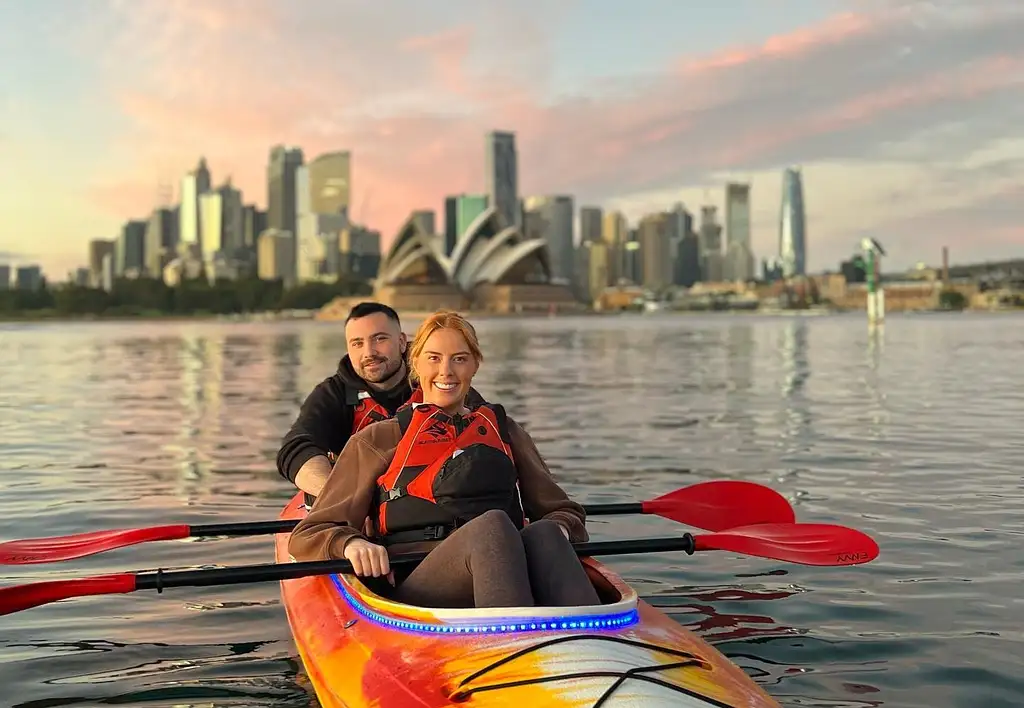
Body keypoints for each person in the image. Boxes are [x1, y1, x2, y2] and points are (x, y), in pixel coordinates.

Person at [288, 310, 602, 609]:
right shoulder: (376, 440)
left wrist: (560, 532)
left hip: (505, 574)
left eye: (459, 359)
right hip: (420, 586)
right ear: (415, 364)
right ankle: (514, 643)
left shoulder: (504, 430)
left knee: (544, 533)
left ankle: (595, 641)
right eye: (434, 359)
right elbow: (310, 534)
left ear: (475, 365)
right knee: (491, 527)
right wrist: (351, 544)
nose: (446, 372)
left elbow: (563, 511)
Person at [275, 301, 484, 504]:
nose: (369, 353)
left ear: (402, 342)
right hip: (361, 505)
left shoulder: (439, 380)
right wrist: (341, 499)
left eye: (379, 339)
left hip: (434, 499)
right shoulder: (333, 393)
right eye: (357, 343)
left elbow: (484, 427)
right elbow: (296, 448)